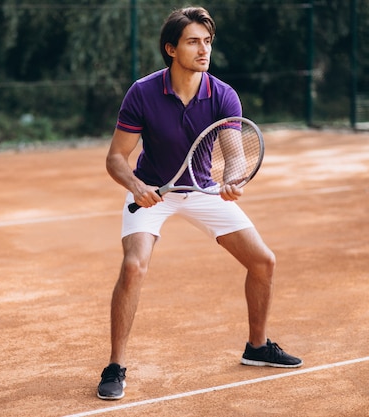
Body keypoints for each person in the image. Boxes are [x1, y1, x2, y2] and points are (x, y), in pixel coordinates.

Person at [97, 6, 302, 401]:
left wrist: (234, 180)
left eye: (207, 41)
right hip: (153, 190)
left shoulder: (223, 95)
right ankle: (115, 365)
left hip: (203, 190)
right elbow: (115, 158)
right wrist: (137, 186)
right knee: (133, 266)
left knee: (264, 261)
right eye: (193, 41)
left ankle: (257, 347)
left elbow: (235, 154)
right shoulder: (142, 92)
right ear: (171, 49)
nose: (203, 49)